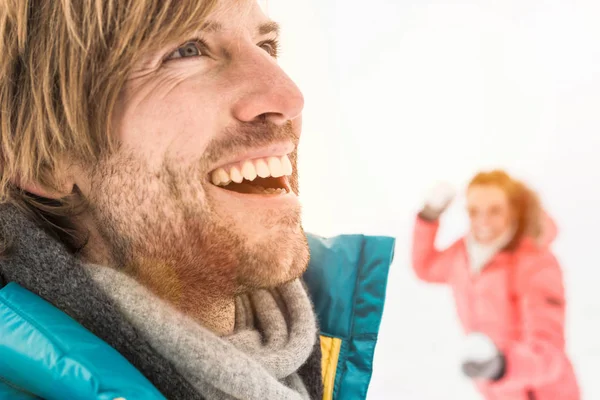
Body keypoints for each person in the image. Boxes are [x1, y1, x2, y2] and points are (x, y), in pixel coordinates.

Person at [0, 1, 395, 399]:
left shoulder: (344, 328)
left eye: (266, 46)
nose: (288, 98)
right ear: (48, 161)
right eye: (186, 50)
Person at [412, 170, 579, 400]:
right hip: (497, 392)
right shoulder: (463, 254)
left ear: (513, 209)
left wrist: (501, 365)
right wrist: (429, 216)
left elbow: (549, 354)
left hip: (542, 393)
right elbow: (426, 267)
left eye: (495, 210)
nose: (482, 221)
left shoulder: (536, 263)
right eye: (473, 211)